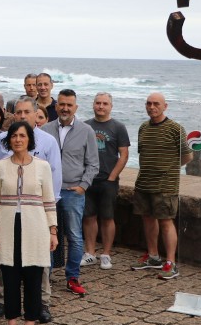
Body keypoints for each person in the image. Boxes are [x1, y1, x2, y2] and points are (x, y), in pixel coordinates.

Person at [0, 96, 62, 323]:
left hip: (36, 219)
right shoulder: (2, 143)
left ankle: (41, 305)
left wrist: (52, 228)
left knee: (36, 270)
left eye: (26, 112)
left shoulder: (47, 144)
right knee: (7, 270)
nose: (21, 116)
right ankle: (5, 305)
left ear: (35, 113)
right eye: (17, 112)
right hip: (8, 218)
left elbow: (53, 189)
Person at [42, 89, 99, 296]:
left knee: (74, 236)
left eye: (69, 105)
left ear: (76, 107)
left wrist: (83, 186)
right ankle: (44, 276)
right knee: (45, 234)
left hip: (73, 192)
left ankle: (72, 277)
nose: (65, 108)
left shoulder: (86, 131)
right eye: (62, 104)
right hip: (47, 192)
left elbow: (93, 163)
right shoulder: (45, 129)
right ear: (56, 106)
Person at [130, 92, 193, 279]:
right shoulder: (143, 128)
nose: (151, 107)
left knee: (166, 222)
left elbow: (188, 156)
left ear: (165, 106)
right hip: (144, 183)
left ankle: (171, 262)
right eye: (148, 103)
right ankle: (153, 256)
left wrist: (169, 169)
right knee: (147, 218)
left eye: (156, 103)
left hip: (165, 185)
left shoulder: (175, 129)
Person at [82, 92, 130, 270]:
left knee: (107, 218)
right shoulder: (85, 126)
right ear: (93, 105)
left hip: (108, 180)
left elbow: (124, 154)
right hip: (88, 179)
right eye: (98, 103)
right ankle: (90, 253)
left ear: (111, 106)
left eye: (104, 103)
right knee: (88, 217)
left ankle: (106, 254)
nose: (101, 106)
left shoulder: (118, 127)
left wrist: (112, 177)